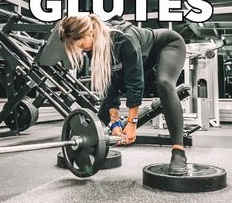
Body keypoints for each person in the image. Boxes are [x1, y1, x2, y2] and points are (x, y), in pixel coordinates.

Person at [59, 14, 187, 175]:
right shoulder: (93, 46)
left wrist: (132, 123)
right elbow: (110, 84)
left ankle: (178, 151)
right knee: (106, 104)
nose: (79, 49)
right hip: (143, 58)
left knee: (164, 84)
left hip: (168, 45)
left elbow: (135, 82)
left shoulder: (123, 38)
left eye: (78, 44)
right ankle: (90, 146)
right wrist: (114, 121)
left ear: (89, 32)